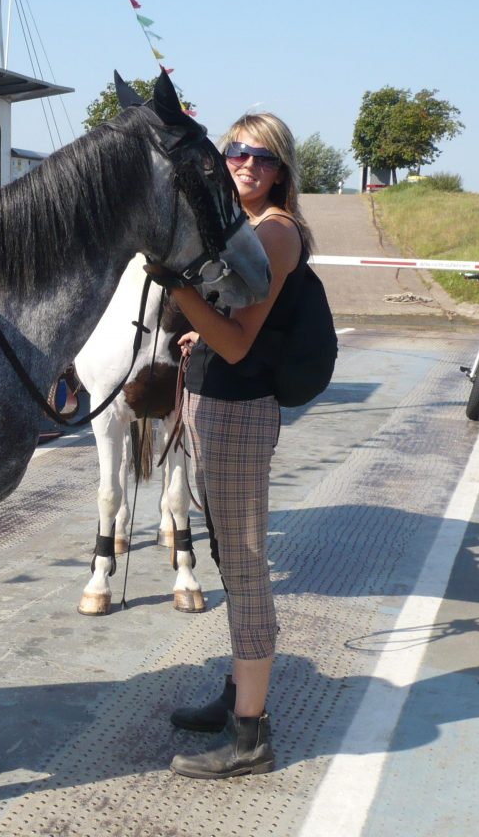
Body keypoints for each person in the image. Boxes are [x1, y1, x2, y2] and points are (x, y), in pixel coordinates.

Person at [160, 112, 314, 780]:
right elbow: (230, 324)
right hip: (215, 404)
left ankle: (250, 737)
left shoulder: (276, 233)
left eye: (263, 156)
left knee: (245, 566)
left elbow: (240, 342)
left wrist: (177, 291)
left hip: (239, 413)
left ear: (281, 171)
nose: (247, 163)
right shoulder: (245, 227)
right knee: (227, 552)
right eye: (236, 151)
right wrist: (199, 328)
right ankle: (237, 696)